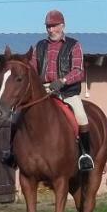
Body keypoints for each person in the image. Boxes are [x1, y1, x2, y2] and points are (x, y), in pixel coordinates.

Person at [27, 9, 94, 172]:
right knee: (16, 116)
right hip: (43, 90)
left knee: (82, 117)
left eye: (54, 26)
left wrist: (62, 81)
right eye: (48, 27)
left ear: (62, 26)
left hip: (66, 92)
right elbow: (32, 69)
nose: (51, 30)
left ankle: (85, 155)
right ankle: (12, 154)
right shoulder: (39, 46)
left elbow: (79, 71)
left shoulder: (74, 45)